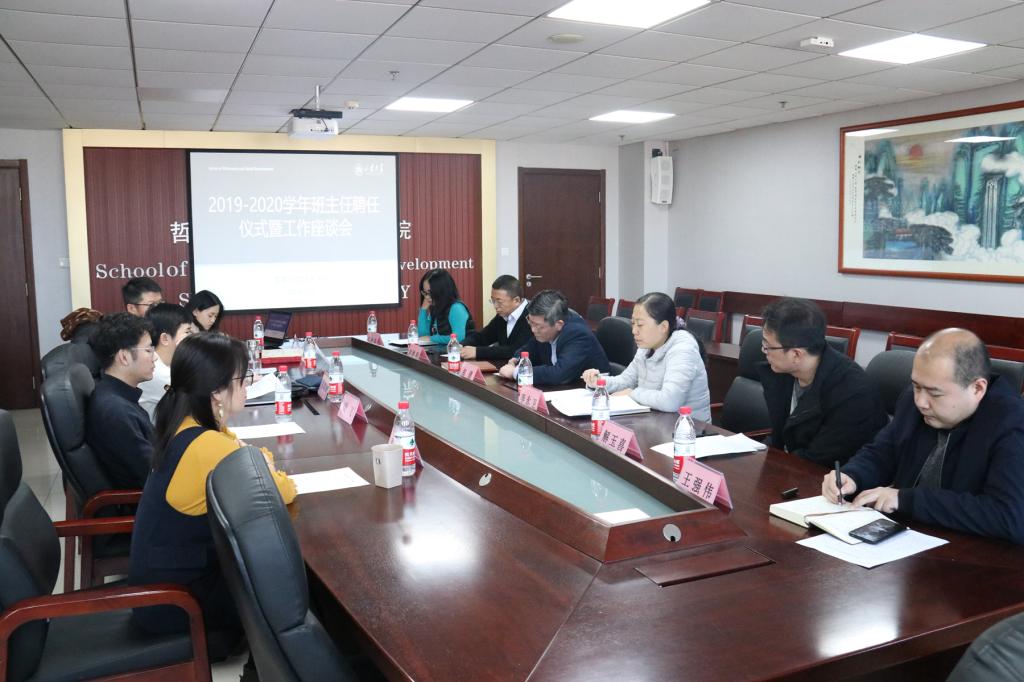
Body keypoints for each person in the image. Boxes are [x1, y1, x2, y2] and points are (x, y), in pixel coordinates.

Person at [128, 332, 297, 655]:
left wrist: (255, 457)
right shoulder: (207, 446)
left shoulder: (187, 424)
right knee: (292, 582)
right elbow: (281, 490)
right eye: (242, 380)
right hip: (175, 602)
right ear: (217, 392)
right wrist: (262, 459)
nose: (247, 386)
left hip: (170, 579)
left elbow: (241, 451)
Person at [823, 329, 1024, 545]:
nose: (920, 402)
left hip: (973, 553)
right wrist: (853, 476)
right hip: (907, 539)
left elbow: (1009, 517)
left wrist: (905, 500)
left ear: (977, 388)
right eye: (916, 386)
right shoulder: (913, 401)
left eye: (934, 393)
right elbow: (882, 453)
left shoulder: (1011, 424)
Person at [757, 298, 887, 467]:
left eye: (768, 346)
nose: (764, 351)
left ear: (796, 354)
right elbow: (780, 434)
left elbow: (819, 460)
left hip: (829, 475)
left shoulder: (853, 393)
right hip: (792, 466)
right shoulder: (784, 373)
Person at [581, 292, 710, 419]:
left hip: (688, 427)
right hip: (656, 420)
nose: (634, 331)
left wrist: (632, 394)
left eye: (640, 325)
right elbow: (625, 381)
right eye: (633, 323)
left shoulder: (683, 349)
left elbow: (670, 401)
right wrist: (598, 382)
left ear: (663, 327)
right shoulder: (646, 346)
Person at [86, 312, 156, 489]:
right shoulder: (116, 412)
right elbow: (153, 474)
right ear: (124, 357)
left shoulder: (117, 396)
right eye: (148, 350)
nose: (154, 357)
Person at [499, 289, 609, 385]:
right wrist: (516, 360)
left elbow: (559, 374)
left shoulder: (578, 335)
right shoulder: (545, 329)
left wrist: (516, 372)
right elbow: (529, 348)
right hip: (561, 389)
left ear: (559, 324)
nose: (533, 330)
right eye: (530, 322)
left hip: (591, 392)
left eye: (537, 326)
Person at [138, 303, 192, 421]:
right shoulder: (156, 371)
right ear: (165, 339)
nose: (192, 337)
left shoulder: (168, 364)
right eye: (187, 332)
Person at [461, 275, 531, 363]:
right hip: (504, 366)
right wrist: (461, 345)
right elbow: (483, 336)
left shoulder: (531, 315)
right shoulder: (503, 315)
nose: (495, 306)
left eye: (499, 302)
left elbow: (516, 350)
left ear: (516, 300)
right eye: (493, 301)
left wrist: (477, 352)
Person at [417, 269, 475, 344]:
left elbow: (458, 338)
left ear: (442, 290)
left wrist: (432, 339)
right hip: (443, 350)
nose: (427, 297)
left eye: (430, 292)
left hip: (461, 350)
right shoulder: (436, 307)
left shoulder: (456, 308)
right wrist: (423, 310)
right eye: (425, 293)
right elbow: (423, 336)